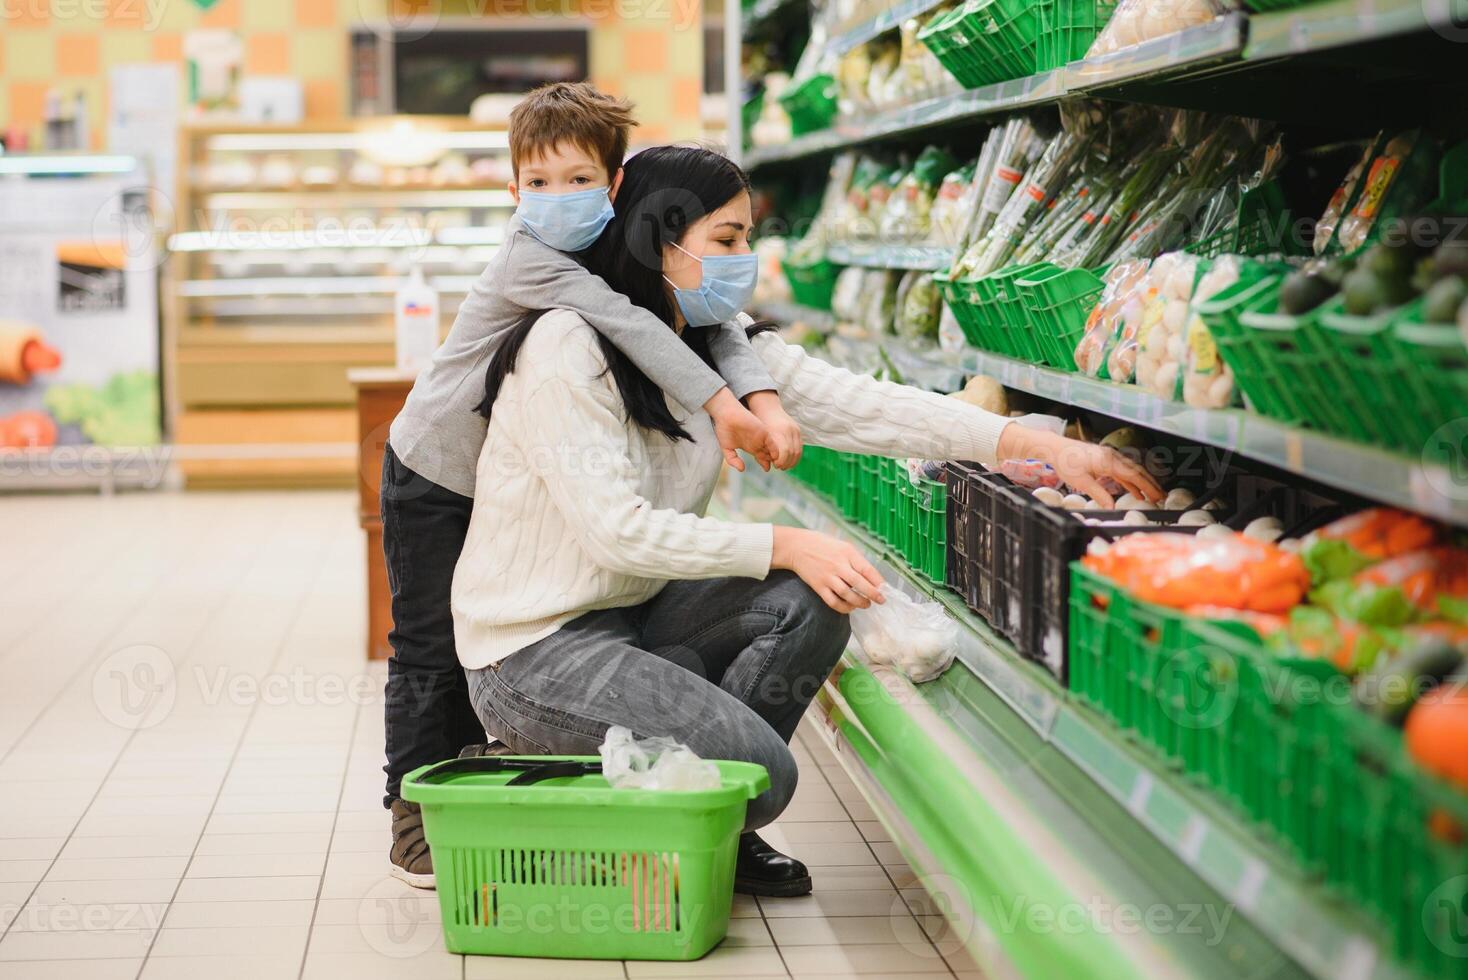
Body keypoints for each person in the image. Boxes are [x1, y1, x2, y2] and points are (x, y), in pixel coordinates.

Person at [452, 145, 1162, 897]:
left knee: (819, 597)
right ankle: (560, 780)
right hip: (531, 651)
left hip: (630, 613)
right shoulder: (568, 347)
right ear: (659, 241)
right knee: (763, 773)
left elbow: (859, 404)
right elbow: (616, 531)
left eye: (746, 239)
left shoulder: (709, 342)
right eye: (725, 241)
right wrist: (785, 540)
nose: (743, 260)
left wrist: (1032, 443)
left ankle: (707, 829)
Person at [381, 85, 804, 888]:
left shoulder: (617, 238)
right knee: (430, 645)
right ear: (512, 191)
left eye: (577, 180)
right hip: (435, 467)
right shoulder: (531, 255)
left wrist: (761, 394)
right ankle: (410, 809)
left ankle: (505, 761)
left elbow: (718, 324)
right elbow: (635, 325)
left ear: (614, 186)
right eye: (536, 184)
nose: (555, 198)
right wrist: (721, 400)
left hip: (510, 467)